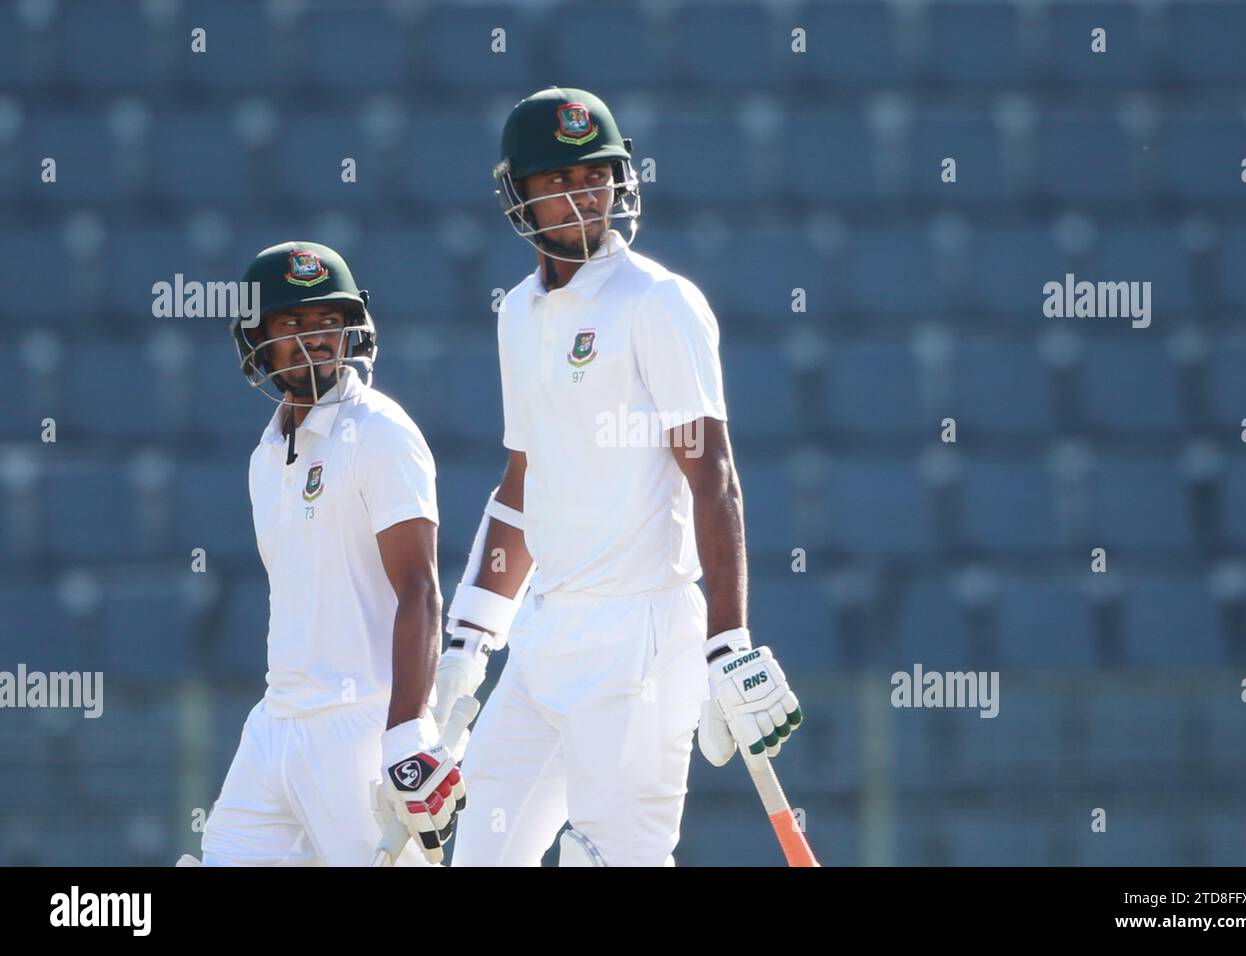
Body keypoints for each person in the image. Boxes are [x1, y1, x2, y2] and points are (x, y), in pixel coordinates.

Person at [436, 88, 803, 867]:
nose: (582, 196)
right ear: (518, 196)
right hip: (543, 635)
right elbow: (522, 482)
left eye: (595, 175)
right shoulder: (517, 315)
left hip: (639, 638)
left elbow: (714, 478)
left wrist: (728, 641)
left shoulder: (658, 302)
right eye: (558, 180)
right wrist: (471, 640)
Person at [183, 241, 462, 866]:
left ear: (351, 329)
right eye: (292, 324)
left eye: (326, 321)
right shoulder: (264, 454)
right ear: (256, 339)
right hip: (275, 722)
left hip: (357, 729)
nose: (313, 339)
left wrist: (408, 733)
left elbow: (419, 589)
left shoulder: (381, 433)